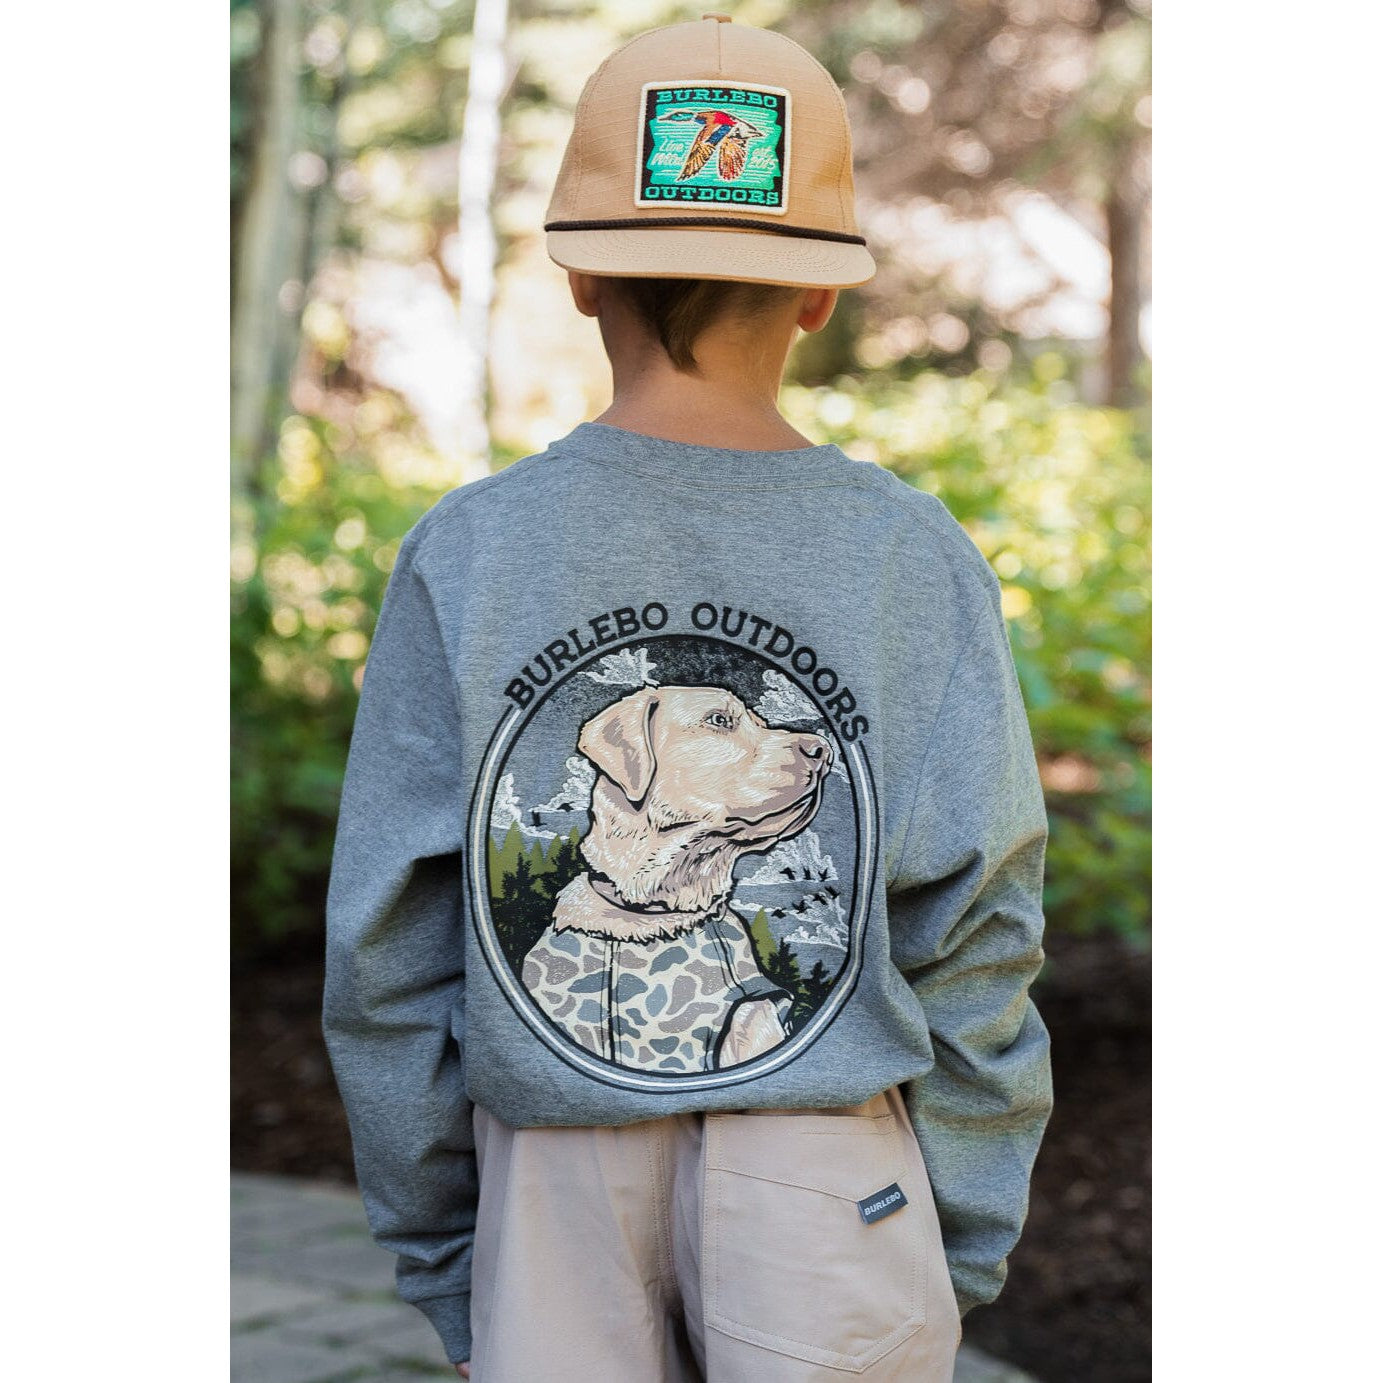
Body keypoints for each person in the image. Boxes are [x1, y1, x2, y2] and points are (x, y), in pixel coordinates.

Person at [323, 14, 1053, 1383]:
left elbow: (385, 947)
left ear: (580, 277)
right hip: (835, 1177)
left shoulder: (470, 551)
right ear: (821, 296)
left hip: (549, 1181)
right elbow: (981, 923)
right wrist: (955, 1233)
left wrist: (443, 1248)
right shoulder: (912, 557)